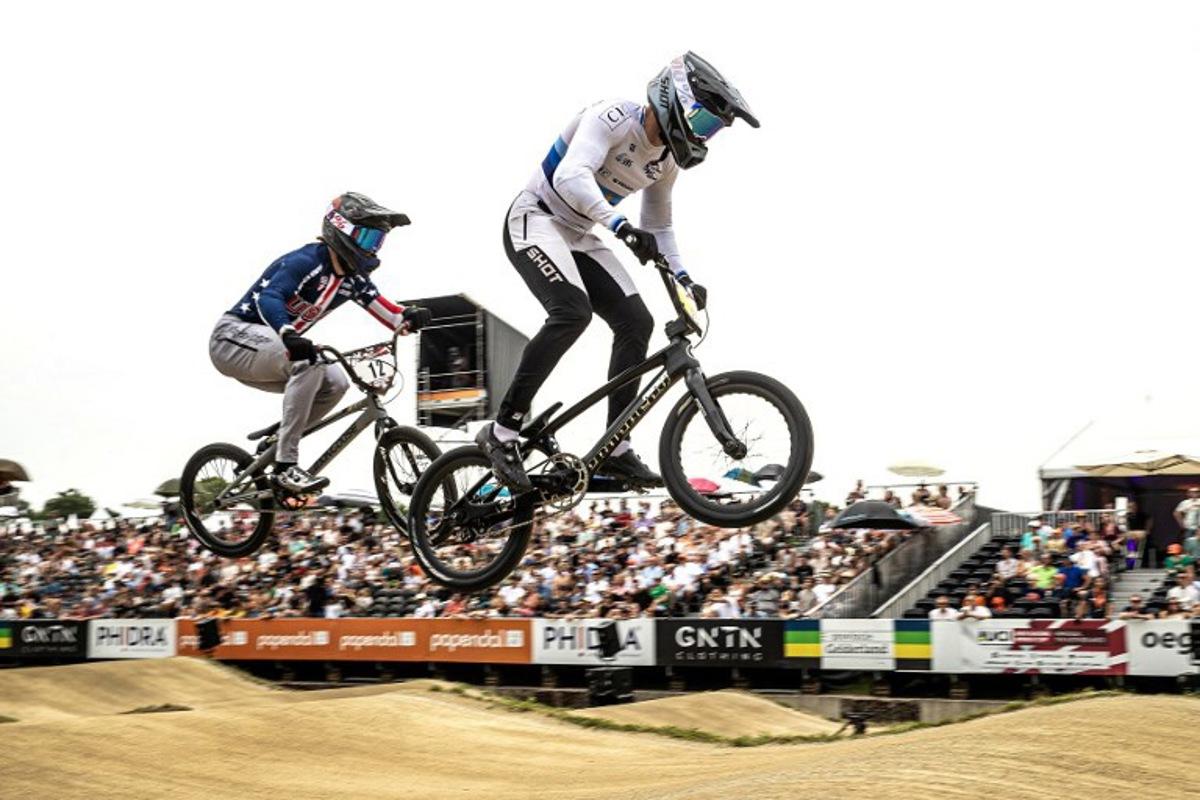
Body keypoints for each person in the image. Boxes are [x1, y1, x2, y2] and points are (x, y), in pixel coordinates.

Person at [475, 53, 759, 490]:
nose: (704, 138)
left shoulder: (665, 163)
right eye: (703, 124)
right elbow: (572, 175)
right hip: (535, 217)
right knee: (572, 313)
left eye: (710, 132)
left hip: (579, 231)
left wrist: (685, 277)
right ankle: (502, 431)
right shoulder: (611, 117)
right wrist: (619, 226)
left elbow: (659, 226)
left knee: (637, 323)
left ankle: (617, 451)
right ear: (677, 101)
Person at [211, 193, 431, 495]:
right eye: (367, 238)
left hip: (276, 350)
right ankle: (286, 466)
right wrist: (288, 332)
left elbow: (387, 312)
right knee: (310, 360)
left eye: (378, 242)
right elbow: (270, 296)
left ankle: (279, 440)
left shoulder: (353, 279)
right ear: (340, 228)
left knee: (336, 382)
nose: (372, 248)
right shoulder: (307, 261)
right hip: (233, 339)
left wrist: (409, 316)